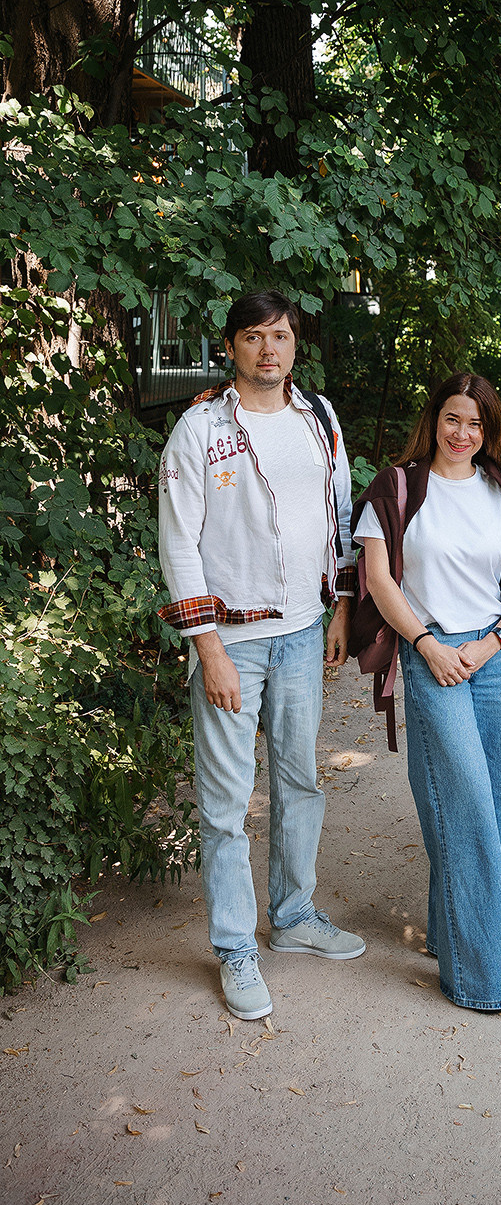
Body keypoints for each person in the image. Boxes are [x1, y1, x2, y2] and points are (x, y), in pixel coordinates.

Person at [157, 290, 364, 1024]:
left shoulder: (319, 419)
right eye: (253, 336)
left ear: (295, 344)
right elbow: (178, 542)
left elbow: (339, 519)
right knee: (225, 803)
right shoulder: (200, 428)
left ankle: (295, 915)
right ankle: (235, 946)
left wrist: (342, 607)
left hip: (304, 632)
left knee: (300, 781)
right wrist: (207, 646)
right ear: (231, 347)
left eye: (280, 336)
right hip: (232, 641)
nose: (268, 349)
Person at [350, 372, 501, 1012]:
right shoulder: (397, 488)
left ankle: (451, 935)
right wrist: (427, 646)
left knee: (499, 818)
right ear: (434, 419)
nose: (462, 433)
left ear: (489, 431)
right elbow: (379, 580)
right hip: (432, 655)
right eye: (453, 418)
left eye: (476, 423)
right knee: (468, 812)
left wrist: (495, 642)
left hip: (488, 658)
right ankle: (486, 979)